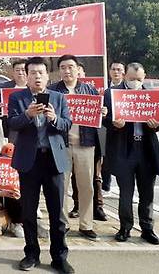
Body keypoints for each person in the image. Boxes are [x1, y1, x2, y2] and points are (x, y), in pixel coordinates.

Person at [7, 56, 74, 273]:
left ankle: (59, 257)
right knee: (28, 211)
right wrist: (27, 114)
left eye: (41, 73)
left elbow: (67, 123)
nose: (37, 76)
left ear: (47, 75)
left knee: (57, 214)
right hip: (29, 161)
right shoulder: (17, 98)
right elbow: (12, 123)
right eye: (33, 73)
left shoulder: (58, 97)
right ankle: (31, 254)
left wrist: (54, 119)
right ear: (26, 76)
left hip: (53, 160)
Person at [103, 62, 159, 245]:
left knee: (147, 193)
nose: (135, 82)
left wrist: (157, 125)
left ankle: (147, 228)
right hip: (124, 150)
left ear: (144, 77)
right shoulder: (112, 94)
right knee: (126, 192)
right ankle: (125, 227)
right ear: (125, 76)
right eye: (131, 79)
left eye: (138, 79)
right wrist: (114, 123)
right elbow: (104, 119)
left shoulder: (152, 95)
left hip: (146, 150)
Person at [48, 55, 103, 241]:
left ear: (78, 69)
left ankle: (86, 225)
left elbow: (99, 117)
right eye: (63, 67)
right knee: (60, 186)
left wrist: (102, 112)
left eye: (70, 67)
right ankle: (62, 224)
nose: (67, 71)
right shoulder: (53, 91)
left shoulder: (90, 90)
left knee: (86, 186)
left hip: (85, 144)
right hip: (61, 144)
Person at [101, 62, 126, 192]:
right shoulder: (106, 91)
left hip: (125, 133)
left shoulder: (127, 91)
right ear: (109, 71)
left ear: (124, 72)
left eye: (119, 69)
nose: (116, 72)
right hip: (108, 130)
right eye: (113, 69)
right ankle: (106, 184)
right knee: (107, 159)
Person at [0, 59, 28, 143]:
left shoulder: (33, 86)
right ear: (13, 72)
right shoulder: (5, 88)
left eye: (23, 70)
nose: (20, 73)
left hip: (30, 123)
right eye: (17, 70)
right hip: (12, 126)